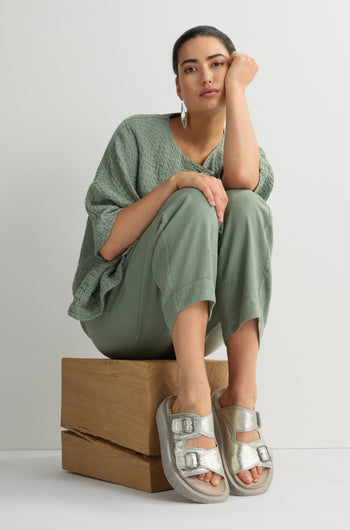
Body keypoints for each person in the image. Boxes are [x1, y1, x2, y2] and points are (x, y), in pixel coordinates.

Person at [68, 25, 274, 503]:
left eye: (219, 64)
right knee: (191, 200)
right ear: (177, 85)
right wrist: (177, 184)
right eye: (191, 67)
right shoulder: (136, 134)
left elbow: (243, 180)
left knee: (248, 206)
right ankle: (193, 397)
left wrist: (238, 91)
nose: (206, 76)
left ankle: (239, 397)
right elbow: (108, 244)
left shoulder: (246, 151)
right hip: (122, 316)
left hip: (201, 328)